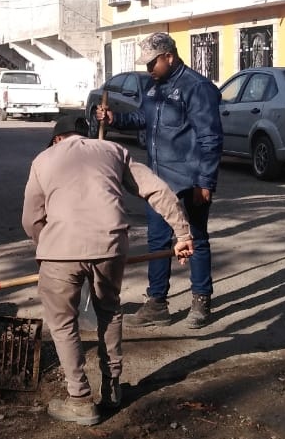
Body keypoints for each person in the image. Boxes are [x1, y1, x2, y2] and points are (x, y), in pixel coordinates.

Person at [21, 113, 195, 427]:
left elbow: (31, 219)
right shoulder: (112, 151)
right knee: (110, 311)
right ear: (84, 135)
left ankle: (80, 400)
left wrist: (44, 246)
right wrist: (182, 234)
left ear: (58, 138)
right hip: (110, 247)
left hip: (60, 252)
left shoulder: (43, 159)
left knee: (63, 325)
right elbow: (156, 190)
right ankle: (113, 387)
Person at [95, 31, 223, 329]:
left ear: (169, 56)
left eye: (153, 62)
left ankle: (201, 300)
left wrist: (205, 182)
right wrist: (115, 119)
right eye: (146, 64)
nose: (148, 69)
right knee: (157, 242)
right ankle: (157, 304)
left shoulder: (196, 88)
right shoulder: (154, 87)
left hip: (188, 180)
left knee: (195, 239)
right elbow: (144, 119)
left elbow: (210, 138)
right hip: (158, 182)